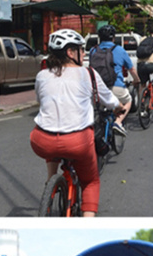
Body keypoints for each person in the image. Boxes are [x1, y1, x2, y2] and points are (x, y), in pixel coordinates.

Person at [30, 29, 121, 217]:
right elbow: (111, 101)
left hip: (41, 142)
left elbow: (41, 100)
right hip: (77, 142)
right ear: (71, 53)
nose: (84, 53)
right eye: (81, 49)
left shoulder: (42, 75)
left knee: (52, 138)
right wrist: (120, 108)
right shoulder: (88, 74)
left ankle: (51, 181)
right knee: (90, 182)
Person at [89, 24, 137, 131]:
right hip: (116, 86)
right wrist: (136, 80)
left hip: (97, 89)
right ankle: (118, 122)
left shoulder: (93, 51)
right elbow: (132, 69)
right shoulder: (119, 50)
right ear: (113, 38)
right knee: (129, 100)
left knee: (98, 110)